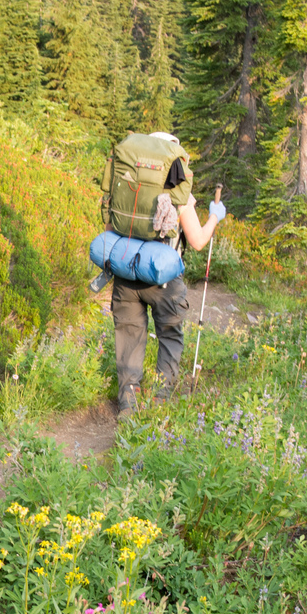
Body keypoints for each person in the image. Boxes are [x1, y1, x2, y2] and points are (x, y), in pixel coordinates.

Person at [110, 133, 225, 420]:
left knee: (129, 335)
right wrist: (214, 216)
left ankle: (128, 403)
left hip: (126, 273)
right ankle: (160, 400)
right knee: (170, 335)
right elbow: (197, 241)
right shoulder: (179, 192)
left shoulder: (125, 185)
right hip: (164, 279)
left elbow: (111, 228)